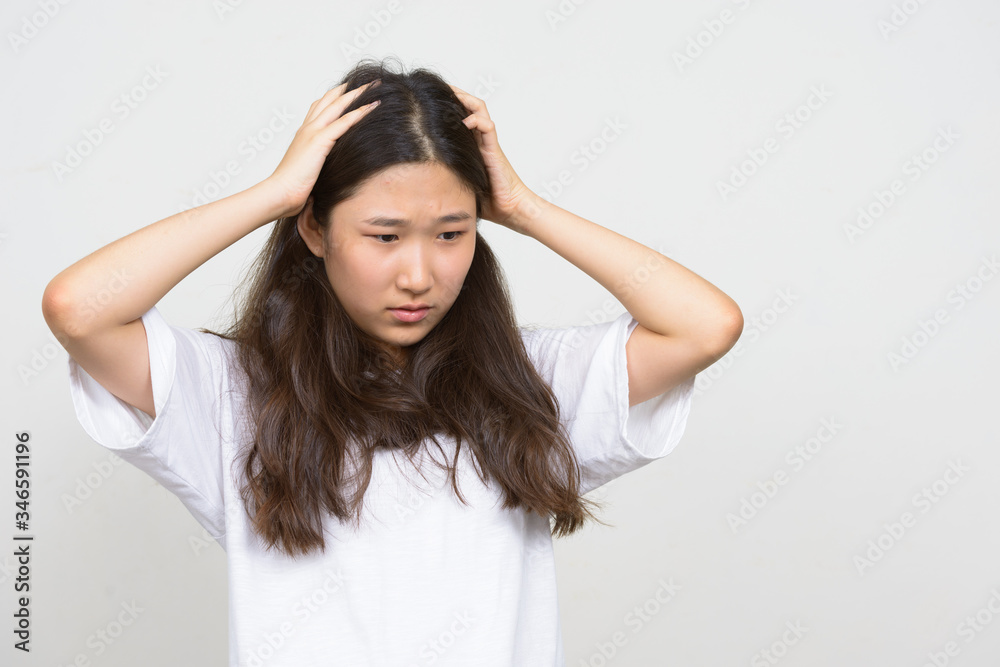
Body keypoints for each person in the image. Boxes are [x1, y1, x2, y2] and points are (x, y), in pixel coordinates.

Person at [42, 56, 743, 666]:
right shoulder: (235, 395)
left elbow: (706, 326)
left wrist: (526, 208)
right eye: (384, 235)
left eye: (450, 232)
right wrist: (275, 195)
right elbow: (80, 308)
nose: (420, 273)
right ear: (315, 229)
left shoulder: (531, 383)